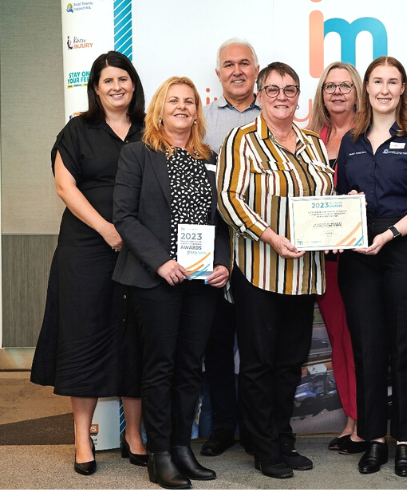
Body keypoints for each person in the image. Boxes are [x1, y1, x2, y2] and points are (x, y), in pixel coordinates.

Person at [30, 51, 147, 476]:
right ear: (95, 88)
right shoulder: (78, 130)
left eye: (123, 78)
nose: (116, 86)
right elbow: (65, 186)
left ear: (133, 84)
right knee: (84, 339)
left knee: (136, 338)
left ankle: (135, 434)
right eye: (107, 80)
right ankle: (83, 437)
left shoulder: (148, 130)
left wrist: (134, 236)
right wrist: (107, 229)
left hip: (140, 251)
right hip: (86, 248)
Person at [216, 62, 334, 479]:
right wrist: (270, 236)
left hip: (303, 277)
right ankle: (263, 447)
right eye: (273, 89)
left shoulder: (313, 144)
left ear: (299, 96)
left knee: (290, 364)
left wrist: (342, 216)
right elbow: (229, 200)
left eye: (289, 89)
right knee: (258, 364)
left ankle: (283, 439)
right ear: (260, 95)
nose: (281, 96)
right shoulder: (241, 140)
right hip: (261, 272)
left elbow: (326, 200)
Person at [113, 76, 231, 489]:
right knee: (160, 366)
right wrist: (161, 262)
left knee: (189, 367)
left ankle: (183, 448)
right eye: (174, 101)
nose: (182, 107)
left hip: (200, 280)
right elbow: (124, 217)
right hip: (155, 278)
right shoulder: (137, 155)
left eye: (189, 101)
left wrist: (223, 263)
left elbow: (220, 221)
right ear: (159, 108)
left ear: (198, 111)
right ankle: (159, 453)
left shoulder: (209, 157)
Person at [336, 56, 407, 477]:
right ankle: (374, 439)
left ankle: (404, 442)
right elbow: (342, 198)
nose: (383, 89)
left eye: (391, 82)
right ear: (367, 88)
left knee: (406, 349)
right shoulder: (351, 140)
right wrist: (347, 224)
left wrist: (389, 234)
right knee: (368, 350)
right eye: (376, 81)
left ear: (403, 89)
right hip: (359, 256)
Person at [200, 38, 261, 458]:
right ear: (218, 73)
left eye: (244, 63)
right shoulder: (201, 122)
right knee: (217, 344)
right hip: (216, 249)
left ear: (256, 70)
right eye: (229, 65)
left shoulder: (278, 116)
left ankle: (259, 430)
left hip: (262, 251)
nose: (237, 70)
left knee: (260, 345)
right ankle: (223, 426)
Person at [308, 61, 367, 455]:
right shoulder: (309, 138)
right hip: (322, 261)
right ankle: (351, 418)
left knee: (361, 340)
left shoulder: (369, 135)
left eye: (346, 85)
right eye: (330, 86)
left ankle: (364, 422)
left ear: (357, 91)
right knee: (338, 340)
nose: (338, 92)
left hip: (362, 257)